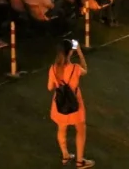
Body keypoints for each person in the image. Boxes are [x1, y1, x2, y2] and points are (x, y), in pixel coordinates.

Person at [47, 40, 94, 168]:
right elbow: (85, 69)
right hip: (74, 103)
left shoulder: (53, 68)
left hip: (59, 103)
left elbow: (50, 87)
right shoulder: (75, 68)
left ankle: (65, 155)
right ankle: (79, 161)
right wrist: (79, 51)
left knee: (61, 129)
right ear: (70, 52)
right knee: (80, 130)